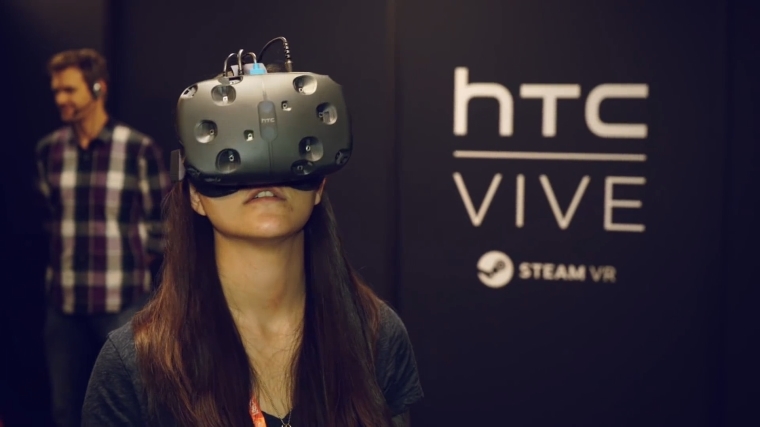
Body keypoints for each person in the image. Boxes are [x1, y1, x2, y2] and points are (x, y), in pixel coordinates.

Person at [81, 61, 424, 426]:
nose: (264, 169)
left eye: (284, 143)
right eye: (234, 153)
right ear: (195, 195)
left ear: (319, 186)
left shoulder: (375, 337)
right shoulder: (135, 365)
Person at [35, 48, 171, 427]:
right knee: (65, 411)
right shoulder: (49, 151)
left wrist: (137, 259)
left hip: (122, 304)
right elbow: (48, 217)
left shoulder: (138, 149)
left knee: (129, 410)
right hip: (64, 306)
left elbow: (163, 221)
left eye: (69, 89)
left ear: (98, 88)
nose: (60, 98)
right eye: (56, 91)